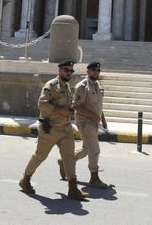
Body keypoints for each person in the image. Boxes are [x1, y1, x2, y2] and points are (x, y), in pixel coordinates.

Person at [19, 60, 88, 200]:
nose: (68, 73)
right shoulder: (51, 86)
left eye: (71, 71)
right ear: (59, 70)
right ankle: (25, 179)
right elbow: (42, 104)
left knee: (69, 158)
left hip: (66, 128)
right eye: (66, 70)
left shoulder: (68, 87)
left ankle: (73, 188)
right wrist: (62, 111)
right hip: (50, 128)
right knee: (40, 156)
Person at [60, 61, 110, 189]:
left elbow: (98, 104)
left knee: (86, 149)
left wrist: (102, 118)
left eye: (98, 70)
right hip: (85, 122)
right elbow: (76, 106)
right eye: (93, 70)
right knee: (95, 150)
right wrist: (93, 116)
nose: (96, 72)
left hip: (94, 122)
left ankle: (65, 161)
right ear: (88, 71)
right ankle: (94, 177)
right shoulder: (82, 86)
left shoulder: (98, 85)